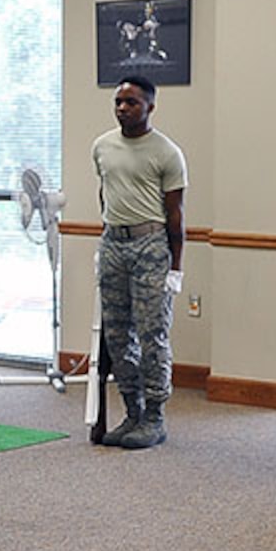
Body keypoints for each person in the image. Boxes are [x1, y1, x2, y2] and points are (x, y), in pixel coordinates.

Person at [92, 75, 185, 449]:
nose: (123, 109)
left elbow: (176, 214)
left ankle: (154, 417)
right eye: (118, 102)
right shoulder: (101, 146)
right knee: (117, 335)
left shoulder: (166, 153)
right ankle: (132, 411)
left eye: (131, 102)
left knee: (152, 336)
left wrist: (175, 268)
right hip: (114, 241)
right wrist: (108, 235)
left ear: (150, 107)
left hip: (152, 245)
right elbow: (106, 193)